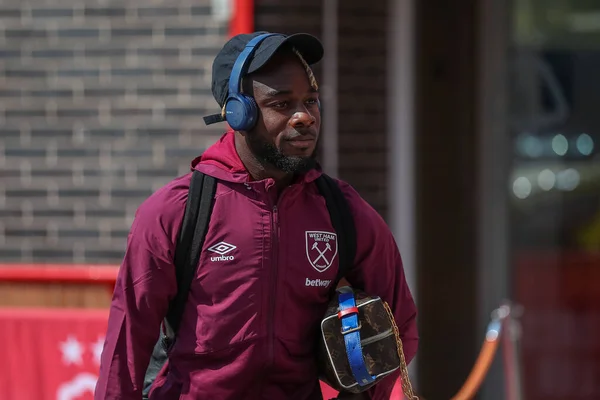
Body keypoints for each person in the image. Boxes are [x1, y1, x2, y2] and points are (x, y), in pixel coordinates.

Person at [95, 31, 418, 400]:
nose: (304, 117)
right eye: (282, 104)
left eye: (310, 101)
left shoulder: (342, 210)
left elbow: (399, 323)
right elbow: (127, 340)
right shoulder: (176, 211)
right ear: (239, 113)